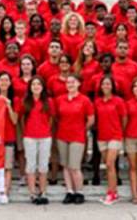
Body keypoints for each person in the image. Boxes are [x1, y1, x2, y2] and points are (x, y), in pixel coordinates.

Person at [54, 74, 94, 204]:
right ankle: (69, 191)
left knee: (75, 166)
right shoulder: (60, 99)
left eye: (73, 82)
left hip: (77, 136)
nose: (70, 85)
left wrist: (82, 129)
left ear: (78, 84)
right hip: (62, 135)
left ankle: (79, 192)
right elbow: (56, 117)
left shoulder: (84, 100)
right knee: (65, 165)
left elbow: (91, 119)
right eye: (68, 82)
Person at [19, 77, 53, 205]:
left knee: (43, 165)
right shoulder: (25, 101)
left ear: (43, 87)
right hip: (30, 137)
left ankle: (43, 192)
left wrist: (46, 129)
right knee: (31, 165)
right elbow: (22, 119)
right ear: (30, 87)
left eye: (39, 84)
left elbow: (51, 118)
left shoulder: (49, 101)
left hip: (45, 137)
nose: (36, 86)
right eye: (33, 84)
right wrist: (26, 132)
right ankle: (32, 193)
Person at [93, 75, 126, 205]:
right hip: (102, 136)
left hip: (115, 136)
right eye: (104, 84)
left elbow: (124, 118)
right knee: (109, 166)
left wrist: (120, 132)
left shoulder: (118, 101)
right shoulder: (97, 102)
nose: (106, 86)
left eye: (108, 84)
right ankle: (112, 192)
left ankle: (112, 193)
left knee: (109, 164)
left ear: (112, 86)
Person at [0, 72, 18, 205]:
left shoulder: (15, 100)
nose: (4, 82)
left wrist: (8, 105)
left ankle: (5, 192)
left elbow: (15, 120)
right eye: (1, 80)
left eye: (6, 80)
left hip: (9, 136)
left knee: (8, 166)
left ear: (10, 83)